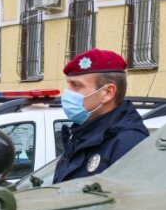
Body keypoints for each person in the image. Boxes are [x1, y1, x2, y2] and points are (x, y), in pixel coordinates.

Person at [53, 48, 149, 184]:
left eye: (76, 85)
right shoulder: (80, 134)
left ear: (108, 93)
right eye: (68, 84)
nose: (67, 92)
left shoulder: (128, 143)